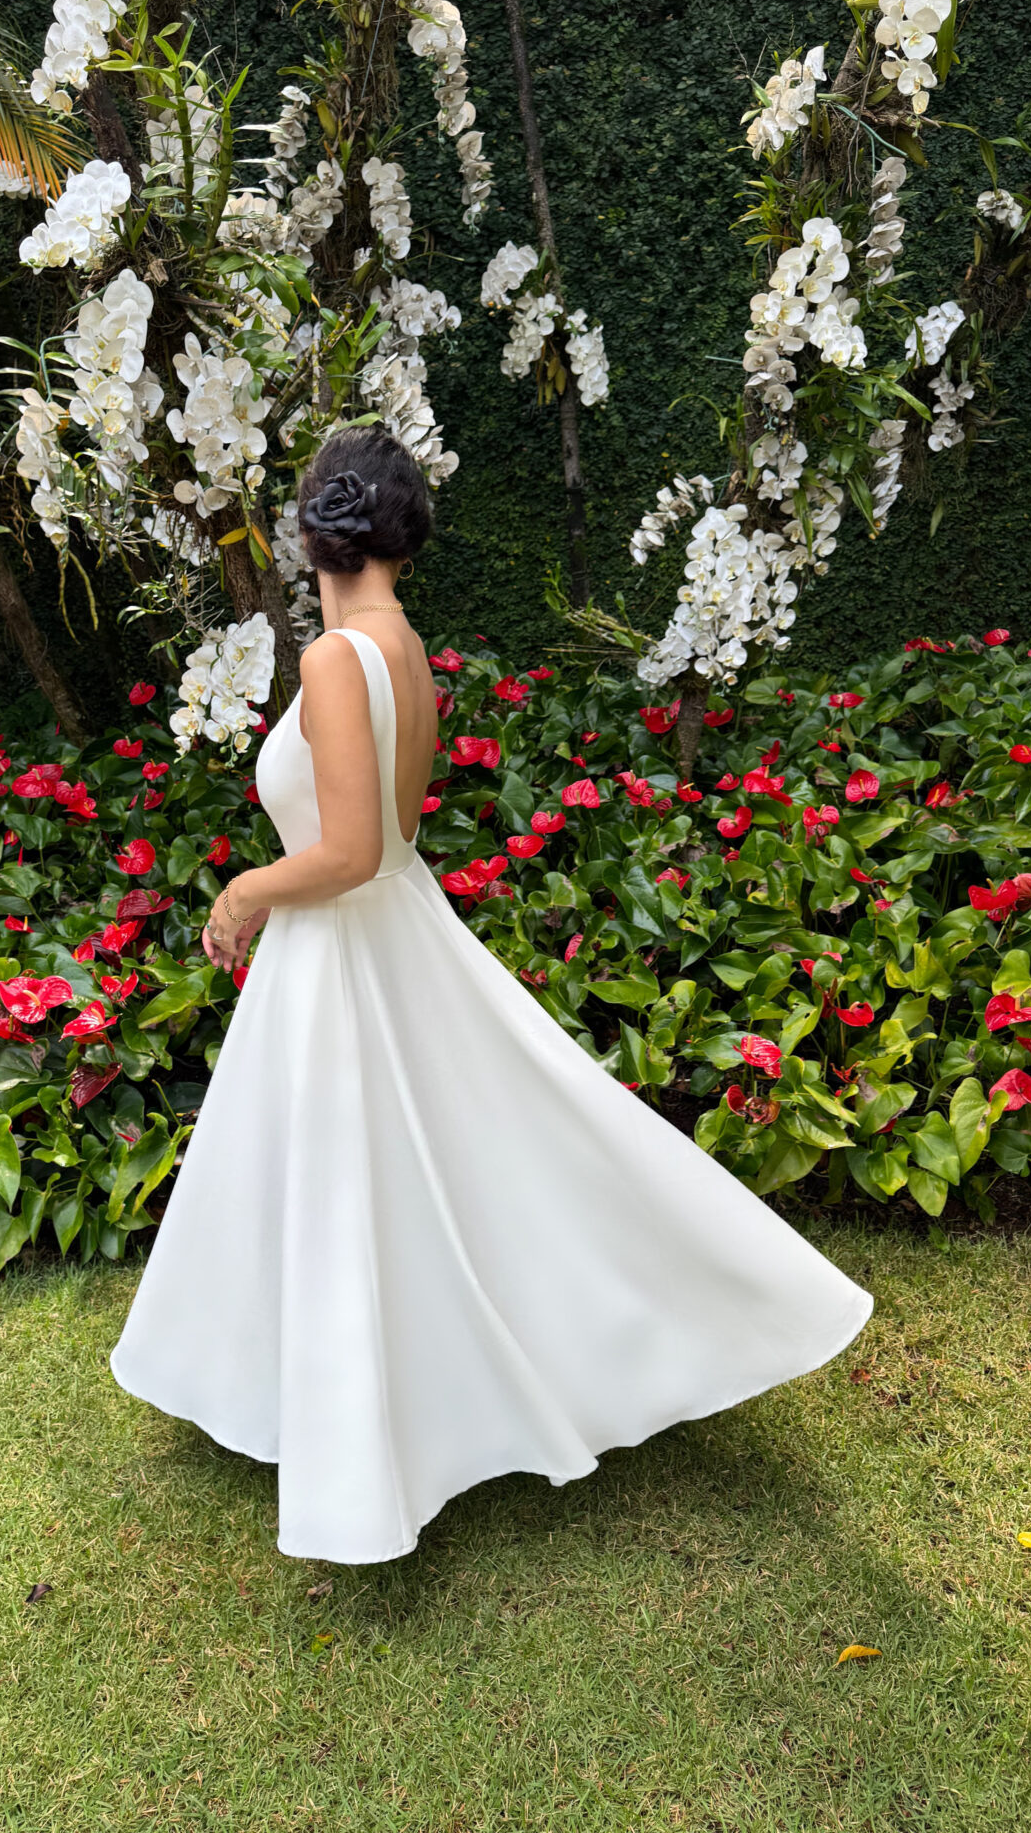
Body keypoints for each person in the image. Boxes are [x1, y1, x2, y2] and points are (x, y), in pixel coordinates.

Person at [110, 424, 874, 1566]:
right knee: (423, 1169)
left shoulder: (334, 660)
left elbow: (355, 850)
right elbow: (395, 840)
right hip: (386, 935)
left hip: (346, 944)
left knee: (359, 1179)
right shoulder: (403, 646)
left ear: (313, 535)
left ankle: (365, 1434)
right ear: (401, 538)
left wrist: (245, 891)